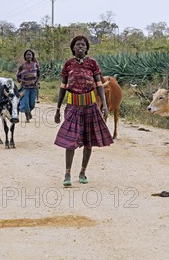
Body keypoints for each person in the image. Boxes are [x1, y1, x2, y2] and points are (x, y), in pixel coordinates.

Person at [54, 36, 112, 186]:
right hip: (73, 106)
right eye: (77, 44)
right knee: (70, 141)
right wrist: (57, 109)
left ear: (86, 48)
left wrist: (104, 105)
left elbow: (99, 85)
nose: (80, 46)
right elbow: (62, 88)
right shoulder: (68, 64)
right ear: (73, 48)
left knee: (88, 141)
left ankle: (83, 172)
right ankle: (67, 174)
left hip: (90, 106)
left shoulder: (92, 64)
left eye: (83, 44)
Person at [16, 49, 40, 123]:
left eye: (30, 55)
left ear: (32, 56)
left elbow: (39, 74)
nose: (28, 56)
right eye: (27, 55)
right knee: (26, 103)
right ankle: (27, 117)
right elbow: (18, 75)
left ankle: (29, 112)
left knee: (32, 104)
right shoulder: (22, 66)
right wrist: (20, 80)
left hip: (33, 87)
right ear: (25, 56)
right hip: (25, 88)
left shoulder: (36, 65)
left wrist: (37, 81)